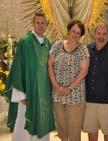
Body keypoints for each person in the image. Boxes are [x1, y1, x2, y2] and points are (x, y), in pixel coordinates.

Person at [3, 12, 55, 141]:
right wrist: (20, 93)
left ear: (46, 25)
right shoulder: (25, 43)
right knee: (25, 126)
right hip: (28, 93)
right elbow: (18, 67)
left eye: (43, 23)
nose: (40, 26)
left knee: (42, 123)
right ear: (33, 24)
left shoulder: (49, 44)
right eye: (37, 22)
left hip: (44, 95)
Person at [48, 20, 89, 141]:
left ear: (81, 36)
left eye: (78, 32)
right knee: (62, 129)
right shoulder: (57, 45)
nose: (75, 34)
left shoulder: (83, 49)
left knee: (74, 129)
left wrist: (69, 88)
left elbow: (84, 71)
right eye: (73, 31)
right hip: (58, 94)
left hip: (75, 95)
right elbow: (49, 65)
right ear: (68, 31)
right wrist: (55, 85)